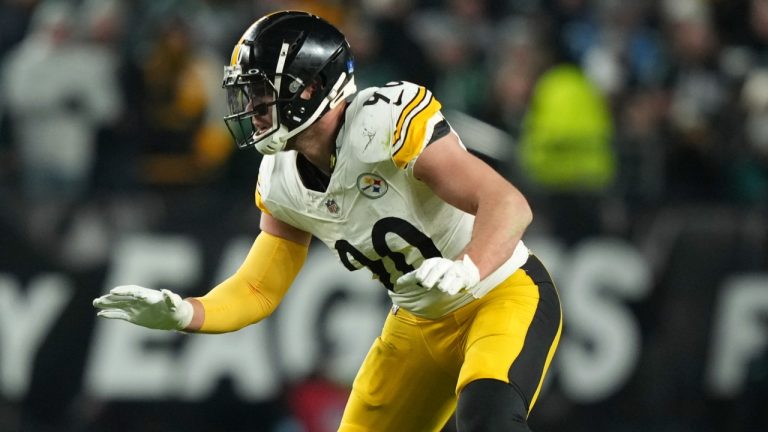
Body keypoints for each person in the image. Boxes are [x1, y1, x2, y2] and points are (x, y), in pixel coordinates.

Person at [93, 11, 562, 432]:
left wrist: (468, 267)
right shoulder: (281, 177)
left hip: (501, 292)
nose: (251, 108)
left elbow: (507, 203)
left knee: (488, 419)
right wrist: (186, 313)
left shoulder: (384, 123)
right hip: (417, 323)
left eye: (261, 92)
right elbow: (258, 287)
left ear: (311, 86)